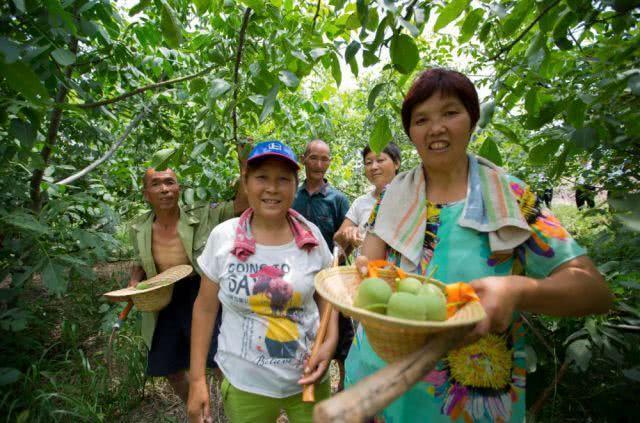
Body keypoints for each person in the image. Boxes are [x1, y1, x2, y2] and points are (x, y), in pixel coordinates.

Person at [346, 68, 613, 422]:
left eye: (450, 113)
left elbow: (594, 290)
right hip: (376, 385)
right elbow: (369, 274)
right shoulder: (395, 196)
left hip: (467, 401)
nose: (435, 128)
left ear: (472, 120)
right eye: (421, 119)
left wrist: (519, 289)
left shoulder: (511, 198)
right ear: (410, 132)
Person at [187, 141, 338, 423]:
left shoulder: (312, 236)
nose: (272, 188)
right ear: (245, 182)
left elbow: (327, 296)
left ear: (295, 185)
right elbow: (205, 308)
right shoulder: (224, 237)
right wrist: (197, 380)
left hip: (307, 379)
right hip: (245, 382)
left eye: (283, 179)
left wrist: (330, 341)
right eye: (262, 178)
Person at [127, 167, 247, 403]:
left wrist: (245, 165)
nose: (164, 189)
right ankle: (198, 410)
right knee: (169, 367)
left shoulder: (202, 215)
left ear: (178, 188)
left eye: (170, 182)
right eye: (156, 184)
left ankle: (236, 409)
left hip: (200, 290)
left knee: (219, 359)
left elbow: (241, 205)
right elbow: (139, 260)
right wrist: (134, 281)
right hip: (163, 295)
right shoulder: (139, 228)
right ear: (146, 193)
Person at [292, 139, 352, 390]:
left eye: (324, 159)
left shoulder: (337, 199)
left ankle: (343, 383)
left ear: (329, 162)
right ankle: (304, 375)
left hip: (331, 277)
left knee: (342, 330)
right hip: (297, 273)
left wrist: (335, 262)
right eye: (313, 158)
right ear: (303, 159)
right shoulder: (291, 195)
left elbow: (346, 238)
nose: (318, 164)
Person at [333, 142, 401, 256]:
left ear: (397, 163)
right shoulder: (360, 202)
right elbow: (337, 239)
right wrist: (347, 233)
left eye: (380, 160)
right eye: (368, 163)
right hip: (365, 271)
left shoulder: (411, 197)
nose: (374, 167)